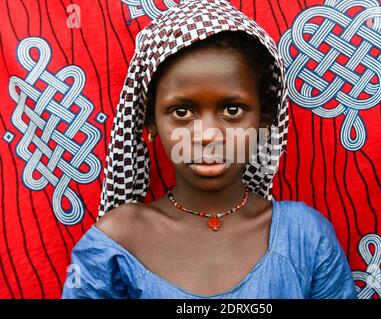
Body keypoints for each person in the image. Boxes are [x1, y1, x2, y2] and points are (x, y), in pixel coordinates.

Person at [61, 0, 356, 299]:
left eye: (232, 109)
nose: (208, 135)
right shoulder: (116, 241)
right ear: (150, 122)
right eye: (181, 112)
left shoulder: (305, 237)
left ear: (264, 119)